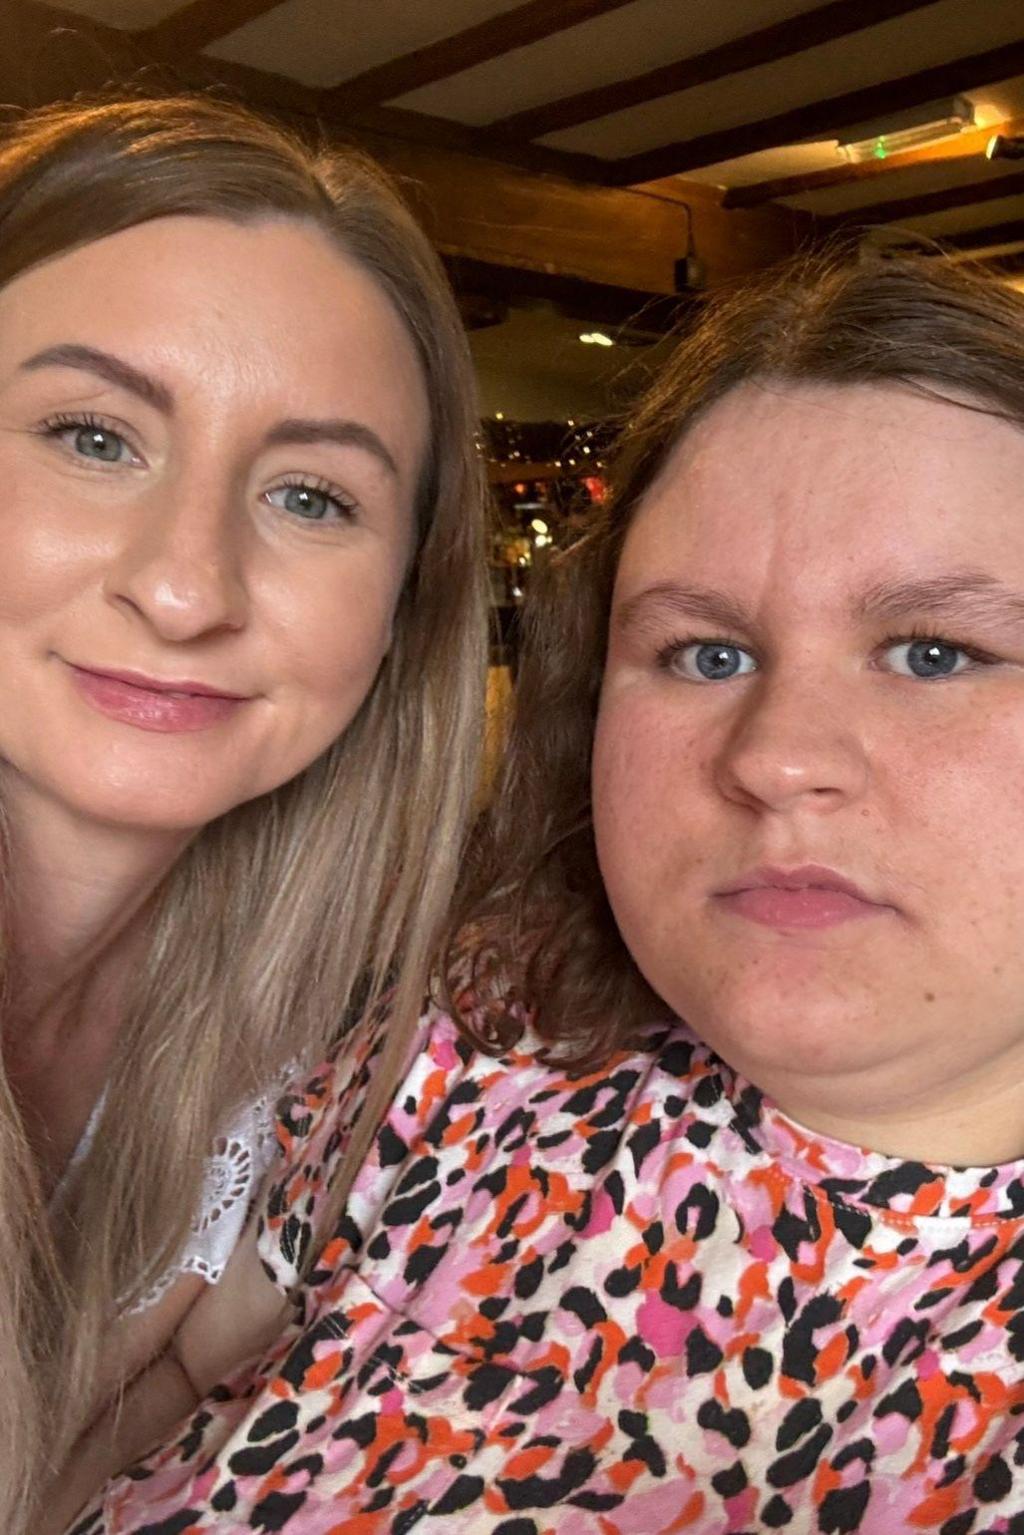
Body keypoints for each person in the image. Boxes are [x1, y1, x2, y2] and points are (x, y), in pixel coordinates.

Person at [72, 252, 1024, 1534]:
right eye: (706, 650)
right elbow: (170, 1390)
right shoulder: (477, 1035)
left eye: (934, 651)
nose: (771, 755)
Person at [0, 93, 488, 1532]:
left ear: (406, 608)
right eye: (92, 434)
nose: (185, 587)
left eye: (313, 497)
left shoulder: (331, 1053)